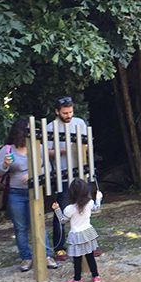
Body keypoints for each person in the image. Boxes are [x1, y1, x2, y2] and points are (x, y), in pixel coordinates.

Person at [0, 119, 58, 272]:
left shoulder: (39, 147)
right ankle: (26, 257)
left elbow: (48, 169)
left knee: (39, 222)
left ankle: (47, 255)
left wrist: (32, 174)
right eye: (29, 130)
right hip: (15, 192)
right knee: (20, 227)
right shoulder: (8, 150)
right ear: (20, 132)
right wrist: (5, 165)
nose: (33, 133)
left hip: (35, 190)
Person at [47, 96, 88, 261]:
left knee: (84, 209)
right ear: (57, 112)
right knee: (61, 209)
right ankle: (59, 246)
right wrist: (64, 150)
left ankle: (87, 243)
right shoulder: (50, 127)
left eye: (70, 112)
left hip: (79, 172)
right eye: (65, 113)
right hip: (61, 173)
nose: (68, 115)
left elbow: (86, 145)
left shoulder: (79, 123)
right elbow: (45, 152)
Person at [52, 178, 102, 282]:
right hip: (88, 232)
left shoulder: (69, 209)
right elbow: (97, 208)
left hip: (76, 235)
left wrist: (57, 209)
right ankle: (96, 276)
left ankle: (77, 280)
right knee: (90, 256)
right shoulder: (89, 203)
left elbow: (62, 221)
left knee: (77, 259)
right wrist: (99, 198)